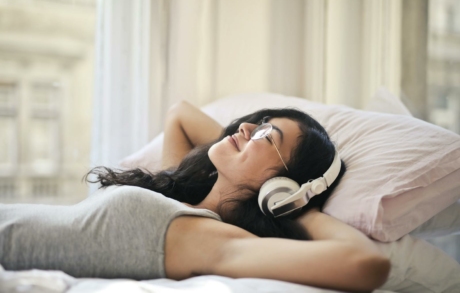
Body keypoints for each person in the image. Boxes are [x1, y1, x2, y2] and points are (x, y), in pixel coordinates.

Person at [0, 101, 390, 292]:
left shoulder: (208, 240)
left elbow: (367, 264)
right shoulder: (182, 194)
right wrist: (247, 141)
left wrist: (293, 203)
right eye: (261, 123)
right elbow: (181, 115)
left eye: (267, 136)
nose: (249, 126)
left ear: (284, 185)